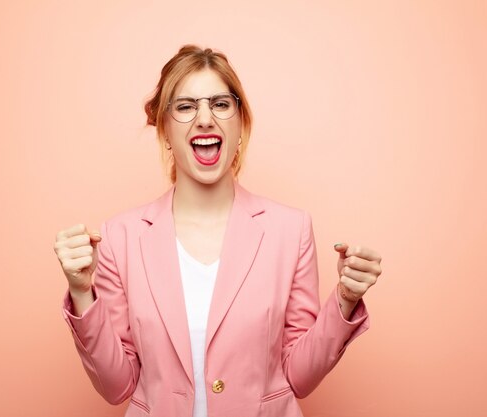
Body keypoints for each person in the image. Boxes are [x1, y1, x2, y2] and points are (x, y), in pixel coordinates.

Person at [53, 45, 383, 417]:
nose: (205, 119)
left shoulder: (291, 231)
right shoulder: (121, 238)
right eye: (185, 106)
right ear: (164, 130)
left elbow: (299, 377)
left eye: (221, 104)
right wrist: (82, 292)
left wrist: (345, 299)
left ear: (240, 124)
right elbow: (117, 386)